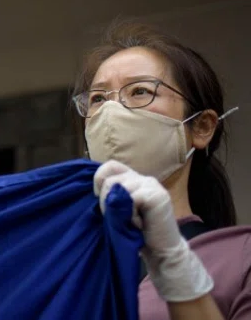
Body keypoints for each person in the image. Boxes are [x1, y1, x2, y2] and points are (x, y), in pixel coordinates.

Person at [72, 21, 249, 320]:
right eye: (98, 98)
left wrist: (174, 265)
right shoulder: (68, 261)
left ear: (202, 127)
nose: (112, 112)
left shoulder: (240, 258)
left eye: (140, 91)